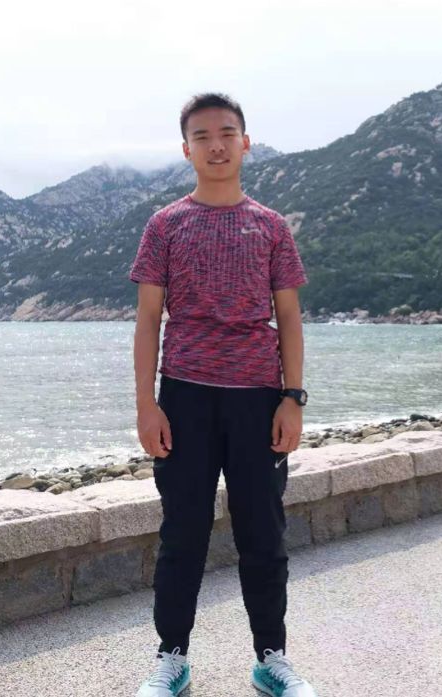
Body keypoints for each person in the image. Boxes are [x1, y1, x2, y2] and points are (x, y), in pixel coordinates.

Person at [129, 92, 317, 697]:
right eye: (203, 136)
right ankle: (172, 658)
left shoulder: (271, 226)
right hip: (184, 398)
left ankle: (271, 659)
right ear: (186, 149)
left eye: (227, 133)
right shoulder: (165, 224)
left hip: (257, 400)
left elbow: (289, 318)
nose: (216, 145)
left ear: (246, 143)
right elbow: (148, 320)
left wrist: (292, 398)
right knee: (181, 534)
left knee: (263, 533)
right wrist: (147, 404)